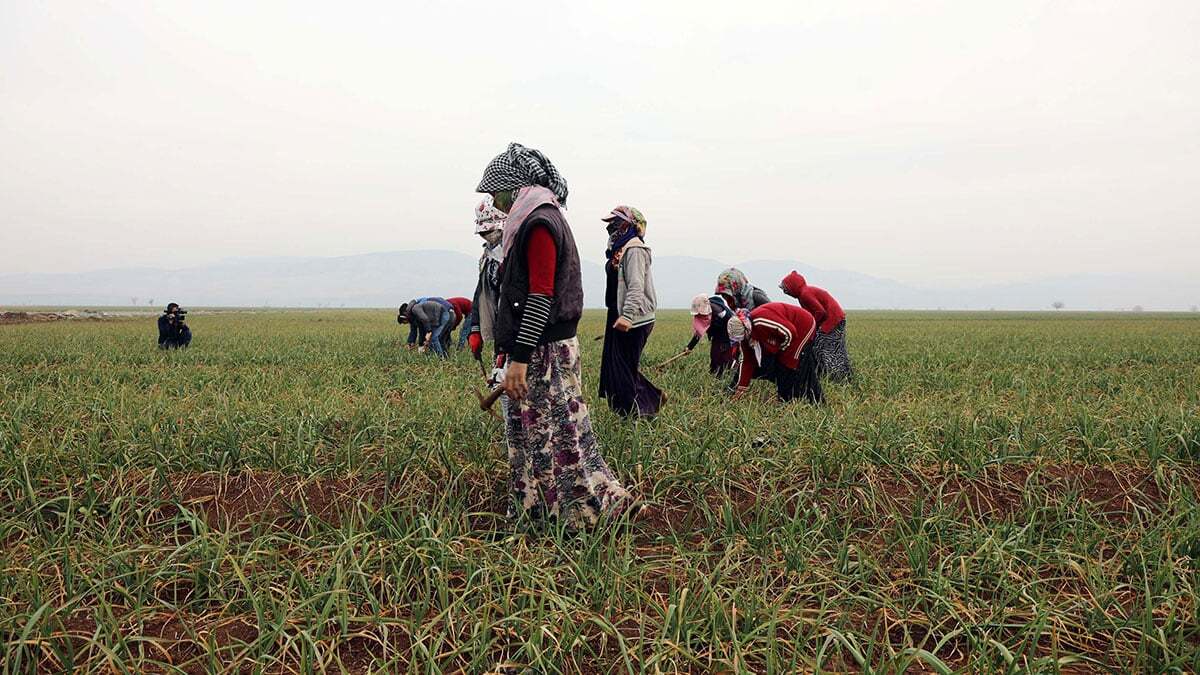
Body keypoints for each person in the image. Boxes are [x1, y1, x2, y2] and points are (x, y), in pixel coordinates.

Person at [476, 141, 635, 529]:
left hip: (543, 352)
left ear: (516, 187)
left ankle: (578, 513)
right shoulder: (536, 219)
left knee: (555, 433)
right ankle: (544, 510)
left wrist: (519, 359)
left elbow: (541, 296)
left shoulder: (539, 223)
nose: (494, 199)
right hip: (541, 348)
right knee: (547, 430)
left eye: (496, 190)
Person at [597, 206, 663, 418]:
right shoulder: (620, 248)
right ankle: (647, 401)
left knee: (623, 369)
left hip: (634, 317)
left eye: (615, 222)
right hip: (617, 313)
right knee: (615, 367)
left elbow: (636, 285)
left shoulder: (634, 249)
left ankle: (637, 414)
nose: (610, 227)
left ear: (628, 224)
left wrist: (627, 316)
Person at [731, 302, 824, 404]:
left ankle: (797, 399)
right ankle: (788, 397)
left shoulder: (760, 322)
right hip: (787, 333)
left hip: (803, 325)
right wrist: (741, 389)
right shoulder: (746, 336)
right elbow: (747, 361)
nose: (742, 340)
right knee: (780, 365)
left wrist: (779, 351)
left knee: (790, 365)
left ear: (746, 328)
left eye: (743, 336)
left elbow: (790, 332)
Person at [779, 271, 853, 381]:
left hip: (832, 321)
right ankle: (840, 375)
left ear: (793, 286)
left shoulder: (805, 294)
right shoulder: (804, 293)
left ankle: (836, 377)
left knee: (827, 349)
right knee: (833, 349)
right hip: (835, 319)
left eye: (786, 289)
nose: (786, 292)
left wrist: (814, 326)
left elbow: (820, 312)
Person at [467, 198, 506, 361]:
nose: (486, 237)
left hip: (521, 337)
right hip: (502, 334)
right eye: (483, 233)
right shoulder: (487, 258)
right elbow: (481, 293)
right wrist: (475, 328)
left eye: (490, 231)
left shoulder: (517, 252)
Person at [684, 293, 738, 375]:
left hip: (728, 332)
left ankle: (736, 370)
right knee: (714, 355)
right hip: (716, 334)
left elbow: (731, 323)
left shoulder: (719, 311)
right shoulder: (701, 315)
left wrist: (727, 342)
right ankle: (713, 373)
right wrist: (690, 347)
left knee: (725, 356)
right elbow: (699, 332)